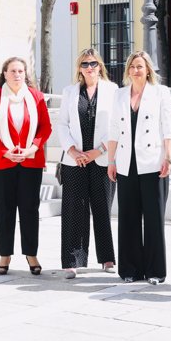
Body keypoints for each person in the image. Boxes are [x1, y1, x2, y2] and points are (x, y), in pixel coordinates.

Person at [107, 51, 171, 285]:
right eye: (133, 66)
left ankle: (156, 271)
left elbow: (168, 127)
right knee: (128, 217)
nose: (137, 70)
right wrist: (111, 160)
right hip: (126, 163)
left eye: (141, 66)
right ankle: (130, 269)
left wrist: (168, 156)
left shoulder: (160, 93)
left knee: (154, 218)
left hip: (153, 162)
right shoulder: (119, 94)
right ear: (128, 70)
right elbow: (114, 129)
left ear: (148, 70)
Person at [0, 57, 52, 276]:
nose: (17, 74)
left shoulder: (36, 97)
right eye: (12, 71)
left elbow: (45, 127)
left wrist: (32, 149)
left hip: (31, 161)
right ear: (5, 73)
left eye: (21, 70)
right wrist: (4, 152)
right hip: (1, 162)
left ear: (25, 74)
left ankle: (31, 254)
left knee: (30, 209)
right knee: (4, 209)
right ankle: (5, 254)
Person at [57, 49, 118, 279]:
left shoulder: (112, 91)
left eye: (93, 63)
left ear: (100, 66)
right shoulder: (70, 92)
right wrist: (73, 151)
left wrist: (99, 150)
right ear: (79, 69)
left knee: (102, 207)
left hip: (102, 158)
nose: (89, 67)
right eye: (84, 64)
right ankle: (72, 260)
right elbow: (62, 124)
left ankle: (107, 257)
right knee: (74, 209)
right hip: (75, 161)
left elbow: (116, 124)